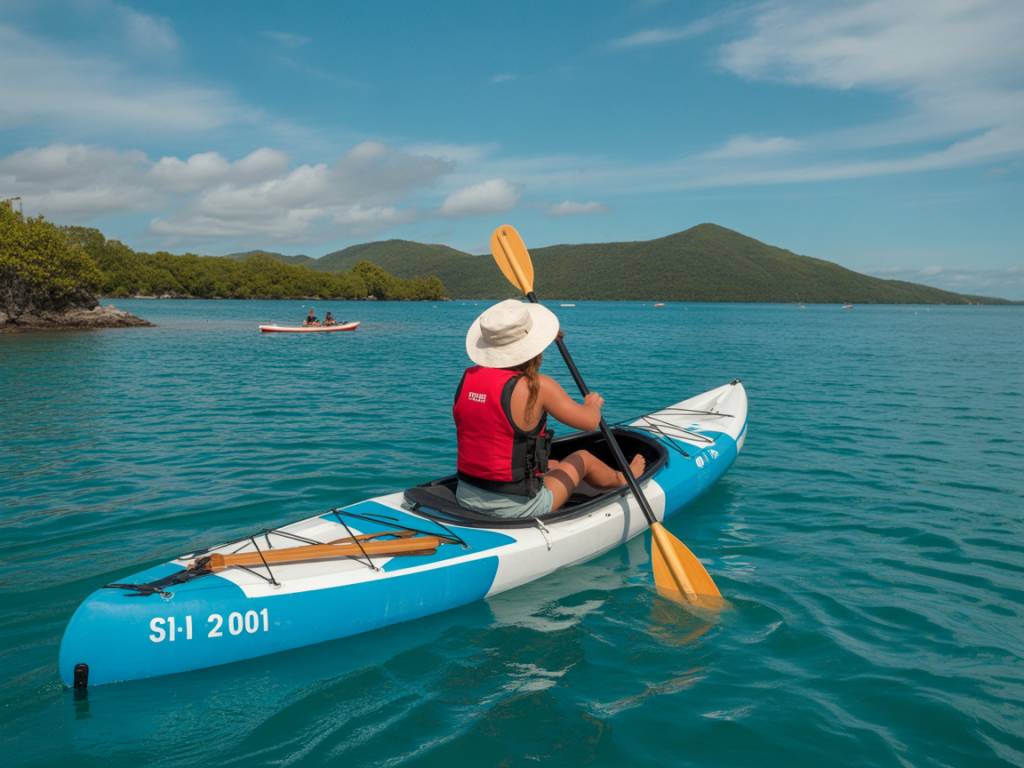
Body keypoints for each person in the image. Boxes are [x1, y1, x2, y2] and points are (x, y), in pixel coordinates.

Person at [454, 299, 645, 519]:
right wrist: (591, 404)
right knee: (583, 458)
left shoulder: (468, 379)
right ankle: (624, 478)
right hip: (518, 508)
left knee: (553, 464)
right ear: (534, 348)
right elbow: (590, 422)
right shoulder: (538, 386)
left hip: (466, 495)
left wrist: (544, 338)